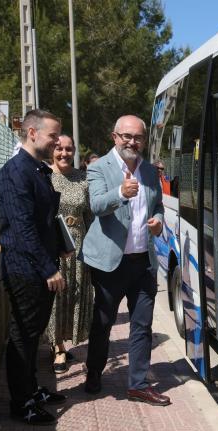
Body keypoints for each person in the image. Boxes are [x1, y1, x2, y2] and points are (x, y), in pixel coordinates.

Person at [80, 115, 171, 406]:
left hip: (143, 262)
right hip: (110, 263)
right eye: (126, 136)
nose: (132, 142)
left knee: (142, 325)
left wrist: (158, 221)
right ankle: (94, 372)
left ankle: (138, 385)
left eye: (138, 137)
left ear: (144, 140)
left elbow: (158, 205)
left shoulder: (149, 171)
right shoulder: (99, 168)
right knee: (103, 321)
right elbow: (96, 205)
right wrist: (120, 192)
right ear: (115, 137)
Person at [0, 109, 69, 425]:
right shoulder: (16, 172)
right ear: (32, 133)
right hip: (25, 270)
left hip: (39, 266)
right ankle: (22, 403)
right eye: (53, 135)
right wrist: (47, 269)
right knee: (23, 336)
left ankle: (32, 390)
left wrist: (60, 246)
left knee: (33, 334)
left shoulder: (37, 169)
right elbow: (23, 228)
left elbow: (45, 219)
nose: (57, 141)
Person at [45, 135, 94, 374]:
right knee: (56, 297)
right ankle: (57, 348)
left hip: (78, 246)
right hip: (54, 245)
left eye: (68, 149)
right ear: (51, 150)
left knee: (74, 294)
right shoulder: (44, 177)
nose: (64, 153)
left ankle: (64, 339)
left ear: (74, 151)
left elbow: (90, 217)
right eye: (59, 148)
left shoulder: (84, 179)